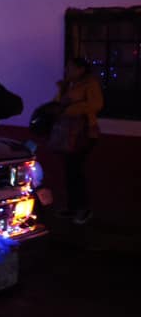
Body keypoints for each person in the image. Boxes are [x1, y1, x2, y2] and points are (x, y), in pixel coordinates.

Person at [53, 57, 103, 224]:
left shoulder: (90, 84)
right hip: (67, 133)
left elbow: (96, 104)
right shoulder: (67, 84)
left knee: (77, 170)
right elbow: (57, 104)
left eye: (71, 67)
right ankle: (72, 207)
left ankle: (83, 209)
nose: (67, 70)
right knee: (69, 170)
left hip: (84, 132)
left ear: (81, 69)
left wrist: (71, 110)